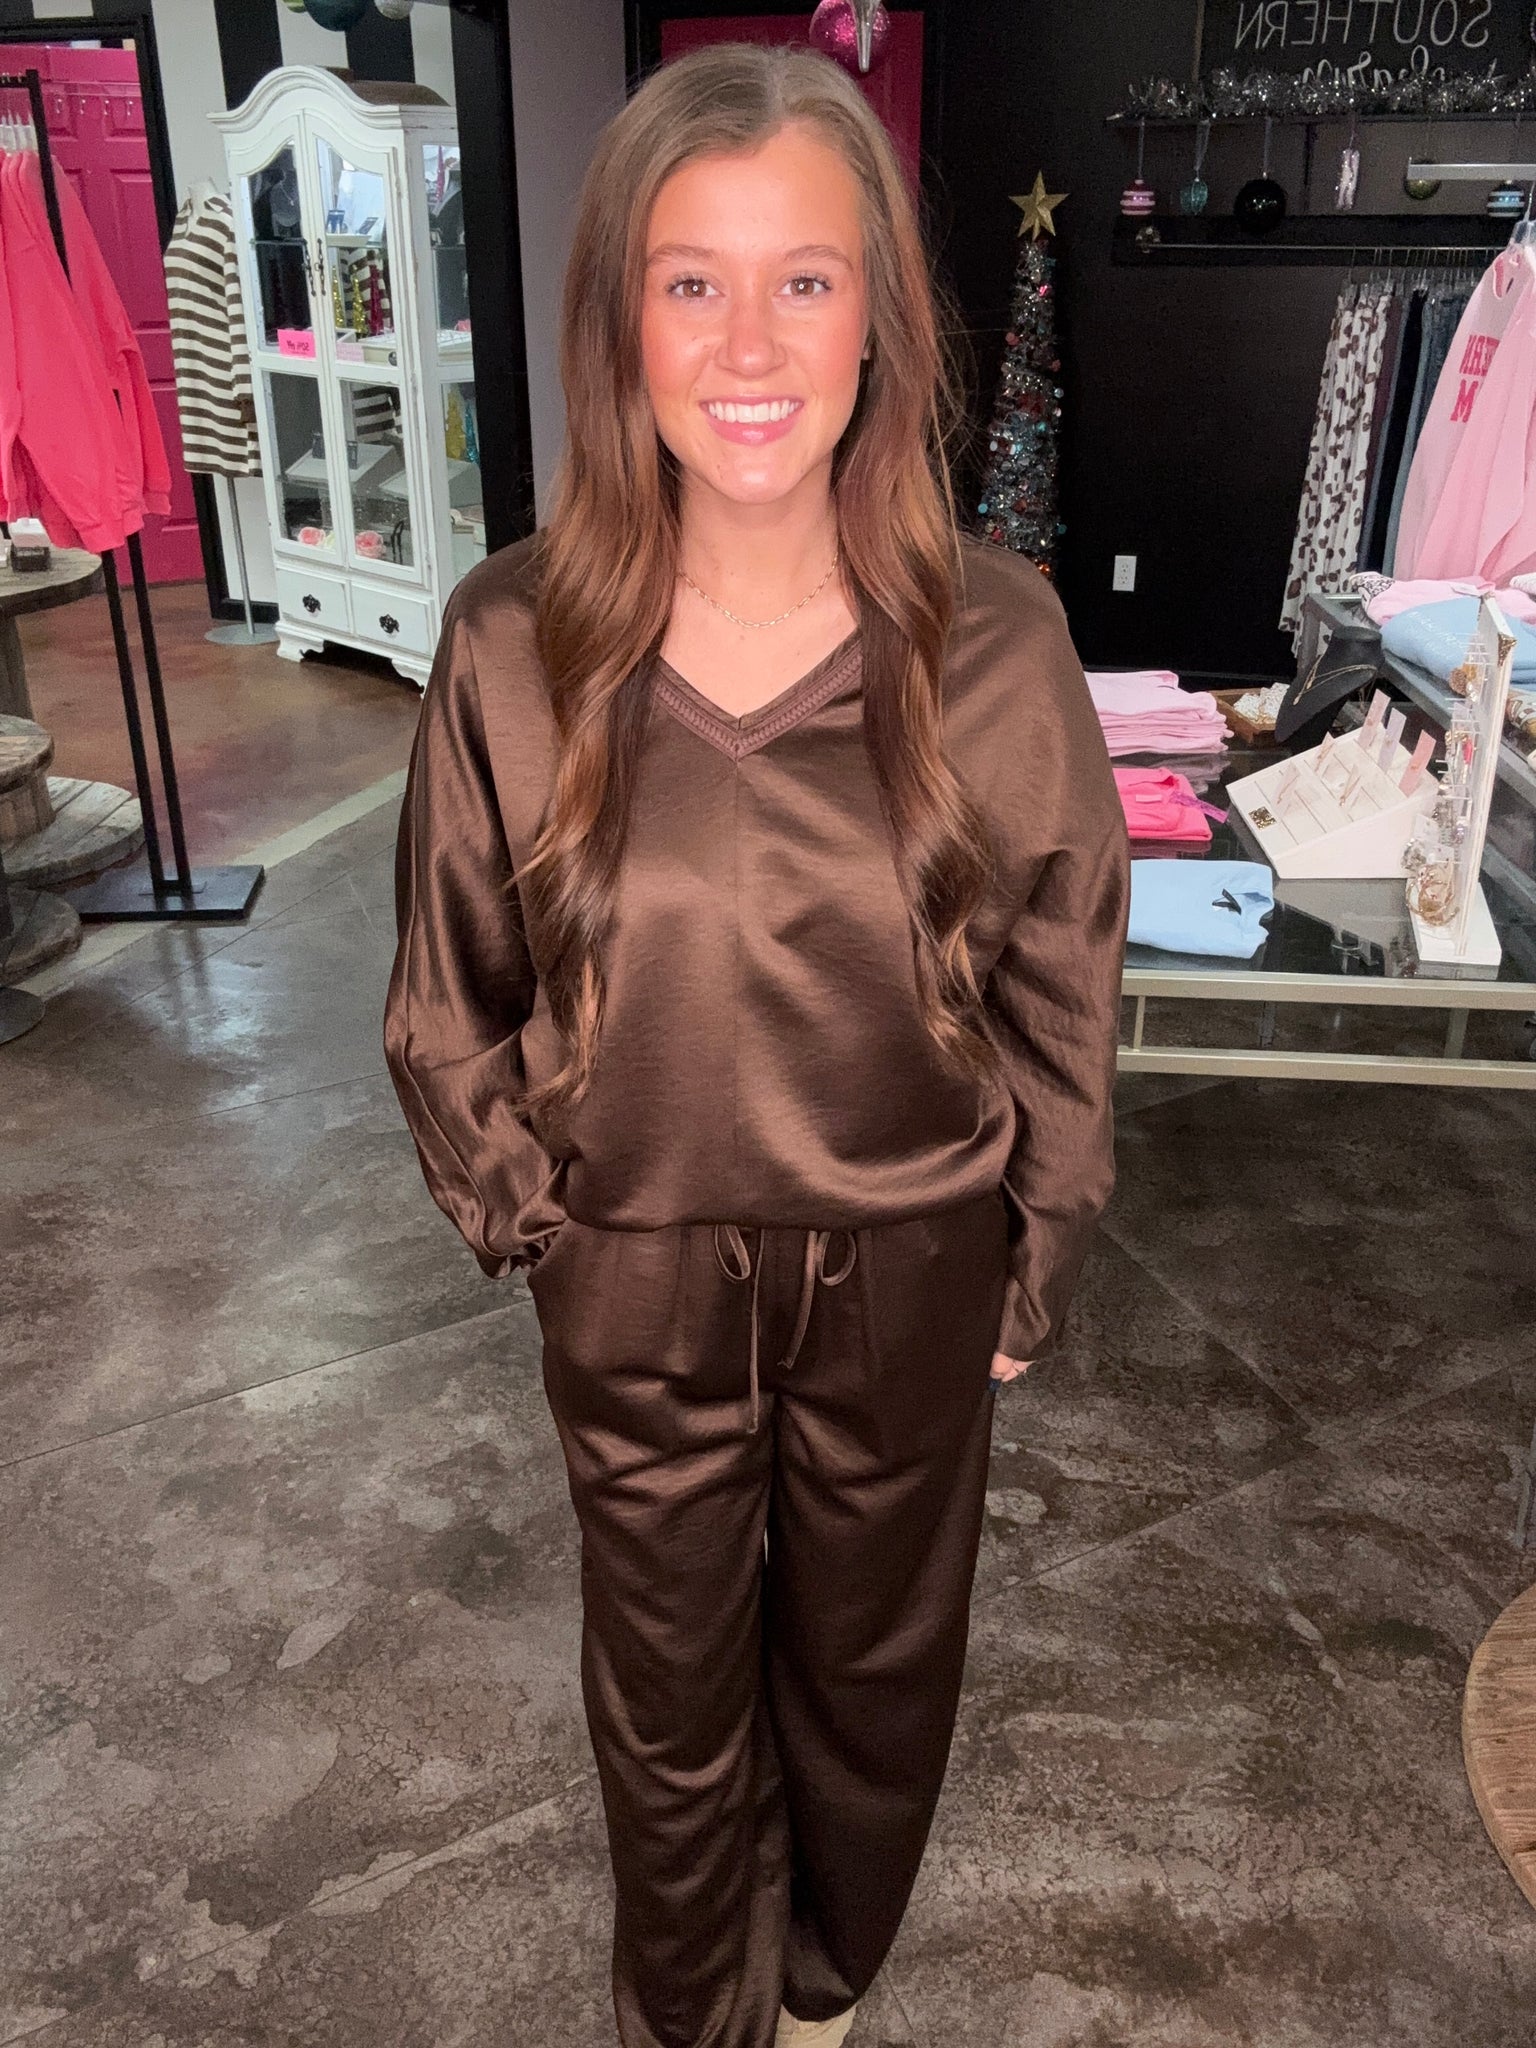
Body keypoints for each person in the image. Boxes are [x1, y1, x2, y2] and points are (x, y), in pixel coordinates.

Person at [383, 41, 1128, 2048]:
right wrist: (538, 1216)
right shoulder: (512, 647)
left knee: (876, 1680)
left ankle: (823, 1986)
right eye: (691, 281)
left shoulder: (997, 642)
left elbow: (1064, 974)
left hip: (911, 1257)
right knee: (667, 1695)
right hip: (634, 1266)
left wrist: (1033, 1249)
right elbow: (448, 993)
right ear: (620, 317)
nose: (747, 344)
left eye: (804, 279)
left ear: (878, 316)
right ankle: (688, 2011)